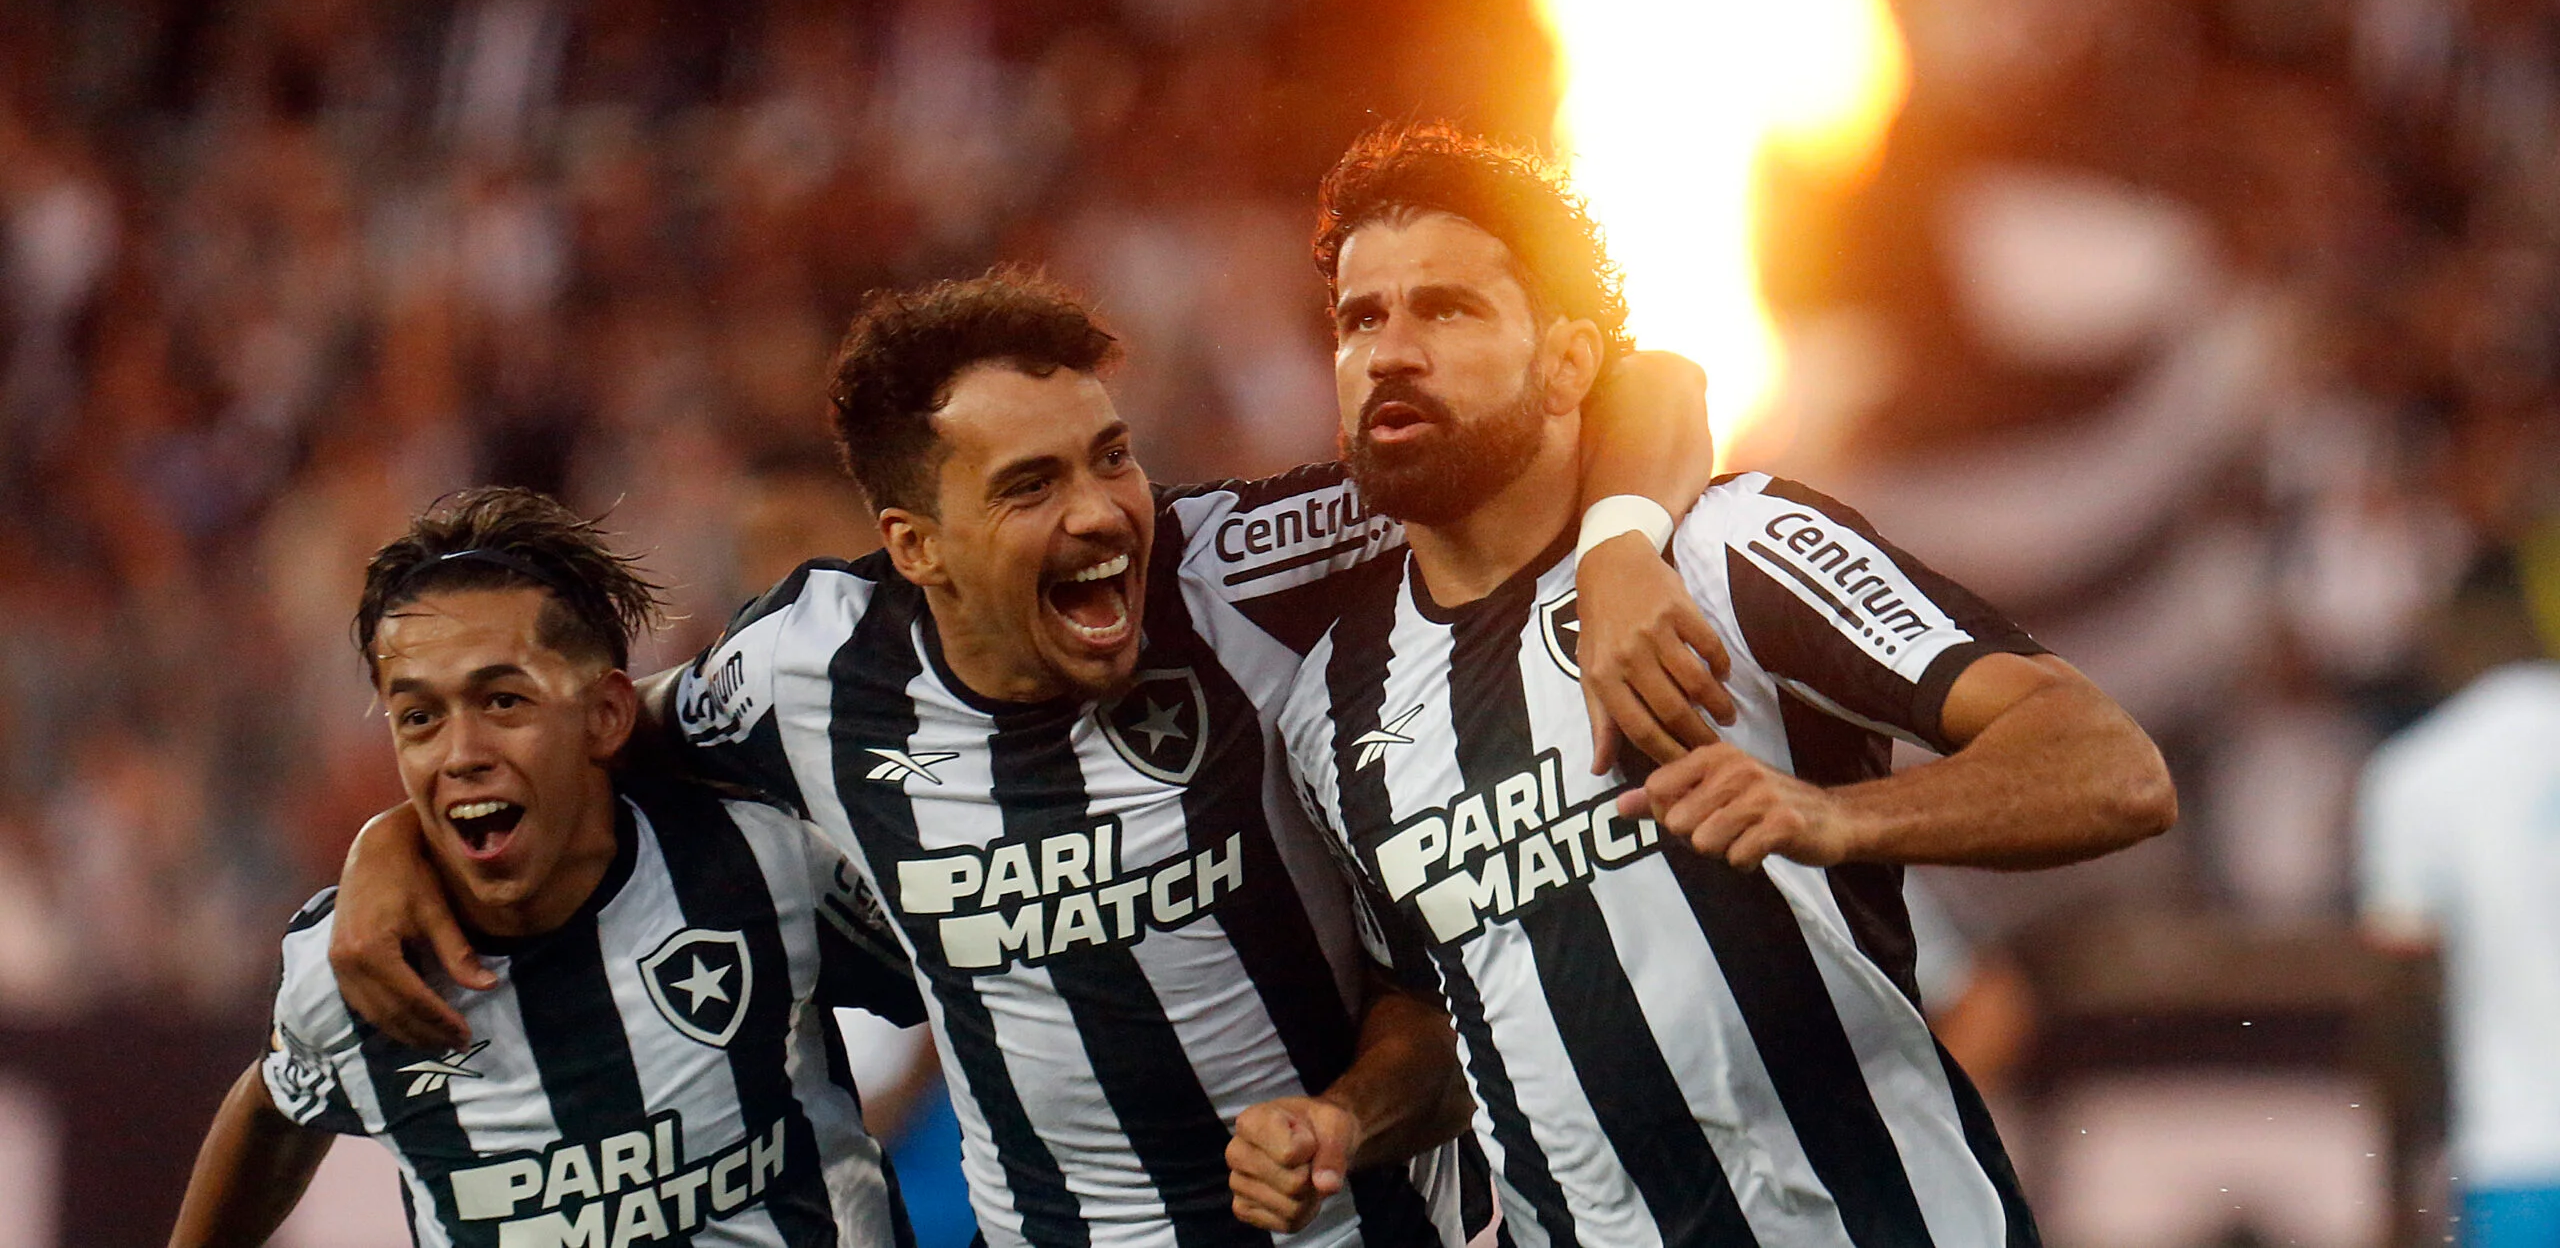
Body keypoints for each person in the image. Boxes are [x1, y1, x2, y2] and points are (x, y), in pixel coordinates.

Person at [327, 272, 1724, 1248]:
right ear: (912, 542)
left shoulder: (1238, 566)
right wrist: (386, 850)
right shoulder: (802, 668)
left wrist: (1614, 545)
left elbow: (1648, 384)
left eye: (1110, 456)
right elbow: (578, 732)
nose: (1106, 511)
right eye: (1030, 484)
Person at [1251, 124, 2178, 1248]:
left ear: (1567, 363)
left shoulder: (1731, 548)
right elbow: (1451, 1009)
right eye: (1361, 319)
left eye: (1446, 309)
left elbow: (2113, 766)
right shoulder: (1327, 708)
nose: (1390, 351)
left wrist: (1839, 816)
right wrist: (1349, 1115)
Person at [168, 488, 928, 1248]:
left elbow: (972, 978)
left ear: (605, 714)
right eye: (420, 717)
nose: (462, 754)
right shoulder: (355, 966)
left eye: (503, 700)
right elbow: (272, 1107)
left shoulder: (761, 864)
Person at [2359, 550, 2560, 1248]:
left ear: (2448, 633)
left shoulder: (2418, 774)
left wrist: (2392, 1183)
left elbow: (2404, 993)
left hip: (2517, 1157)